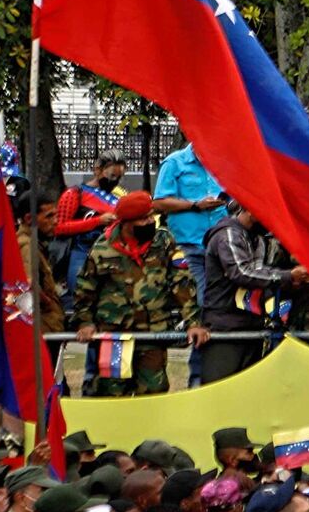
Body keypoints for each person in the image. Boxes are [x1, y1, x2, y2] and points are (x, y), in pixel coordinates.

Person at [73, 190, 207, 395]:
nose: (150, 222)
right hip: (115, 335)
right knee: (112, 393)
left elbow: (181, 282)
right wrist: (85, 322)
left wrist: (193, 323)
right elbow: (86, 288)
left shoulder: (163, 241)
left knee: (153, 392)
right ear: (126, 223)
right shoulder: (103, 248)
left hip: (153, 333)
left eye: (150, 216)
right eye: (143, 219)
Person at [197, 200, 304, 385]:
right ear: (251, 211)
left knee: (247, 394)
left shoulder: (257, 238)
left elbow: (265, 273)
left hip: (251, 325)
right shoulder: (228, 235)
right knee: (220, 394)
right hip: (224, 327)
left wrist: (292, 280)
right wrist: (287, 276)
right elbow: (241, 272)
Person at [151, 139, 226, 302]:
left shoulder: (222, 163)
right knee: (197, 297)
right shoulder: (174, 163)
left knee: (220, 299)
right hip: (188, 244)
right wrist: (195, 205)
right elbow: (158, 202)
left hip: (220, 244)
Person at [56, 156, 128, 302]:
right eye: (112, 175)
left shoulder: (117, 198)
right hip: (81, 254)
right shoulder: (76, 194)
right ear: (97, 170)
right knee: (78, 299)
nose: (115, 181)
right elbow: (59, 227)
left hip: (111, 256)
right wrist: (97, 221)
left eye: (119, 177)